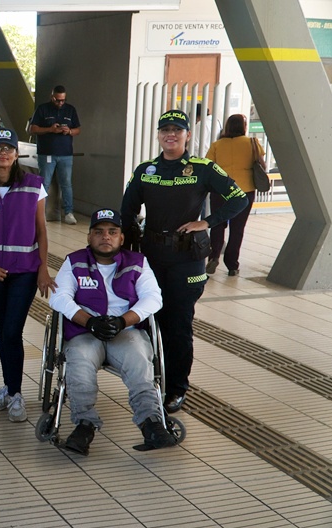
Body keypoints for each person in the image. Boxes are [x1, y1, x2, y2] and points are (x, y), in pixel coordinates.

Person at [121, 109, 247, 413]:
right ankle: (151, 382)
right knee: (149, 322)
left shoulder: (202, 168)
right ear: (159, 135)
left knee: (178, 325)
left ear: (187, 135)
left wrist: (208, 222)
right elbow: (126, 211)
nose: (171, 135)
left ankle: (177, 388)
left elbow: (239, 199)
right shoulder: (145, 170)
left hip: (187, 260)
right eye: (165, 129)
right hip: (151, 258)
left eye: (177, 130)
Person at [49, 208, 174, 455]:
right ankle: (84, 425)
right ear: (89, 237)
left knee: (140, 361)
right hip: (85, 332)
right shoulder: (74, 262)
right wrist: (89, 322)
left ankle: (151, 423)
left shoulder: (138, 263)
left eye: (112, 232)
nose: (105, 236)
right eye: (98, 232)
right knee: (79, 364)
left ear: (121, 238)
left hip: (125, 331)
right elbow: (59, 297)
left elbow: (153, 298)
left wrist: (121, 322)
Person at [0, 128, 55, 423]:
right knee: (3, 331)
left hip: (25, 272)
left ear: (17, 154)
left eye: (9, 148)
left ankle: (16, 394)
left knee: (11, 331)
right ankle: (9, 387)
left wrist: (43, 267)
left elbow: (41, 230)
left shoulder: (33, 185)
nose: (3, 153)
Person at [205, 114, 263, 277]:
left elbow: (209, 166)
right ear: (243, 127)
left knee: (217, 224)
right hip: (245, 190)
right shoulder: (252, 143)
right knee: (237, 228)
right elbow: (261, 163)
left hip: (220, 190)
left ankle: (214, 256)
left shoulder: (217, 145)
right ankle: (232, 265)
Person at [28, 85, 81, 224]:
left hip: (66, 154)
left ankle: (69, 213)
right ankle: (40, 214)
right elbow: (33, 129)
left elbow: (78, 129)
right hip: (47, 153)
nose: (60, 103)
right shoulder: (42, 109)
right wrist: (50, 129)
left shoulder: (70, 110)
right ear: (52, 97)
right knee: (44, 183)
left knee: (66, 184)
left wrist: (68, 131)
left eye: (63, 100)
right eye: (57, 100)